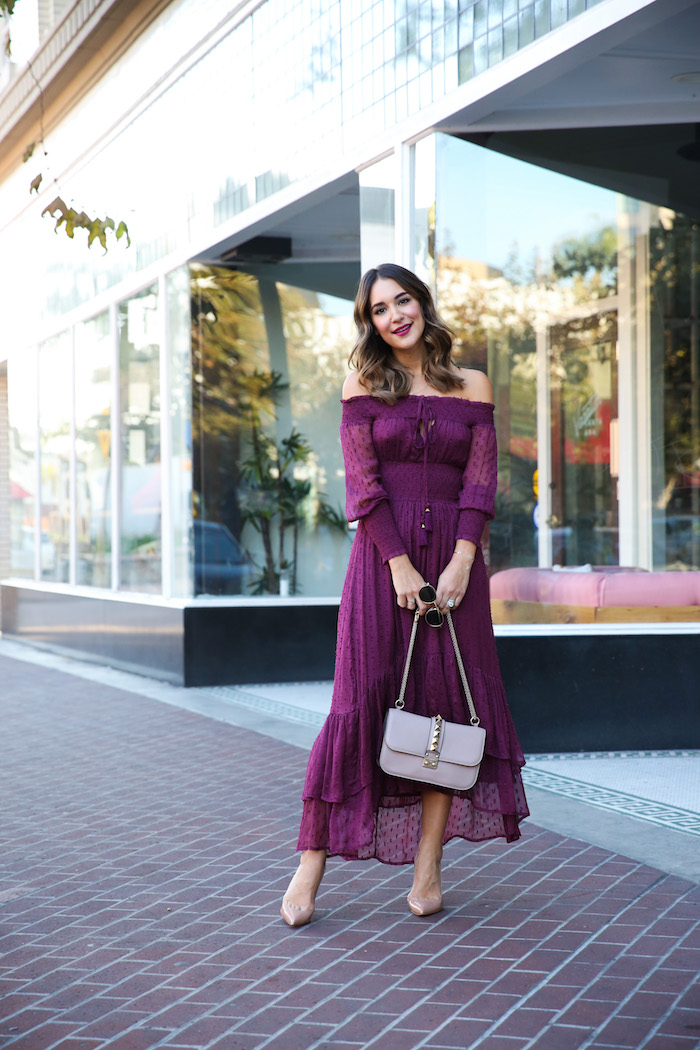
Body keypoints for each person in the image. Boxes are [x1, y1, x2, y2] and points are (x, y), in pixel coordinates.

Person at [280, 263, 528, 927]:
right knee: (359, 700)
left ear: (422, 304)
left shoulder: (471, 383)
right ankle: (311, 862)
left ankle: (428, 866)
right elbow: (363, 488)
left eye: (404, 300)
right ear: (370, 323)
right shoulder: (360, 382)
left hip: (456, 567)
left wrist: (461, 563)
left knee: (443, 709)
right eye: (380, 309)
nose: (396, 315)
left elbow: (481, 485)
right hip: (381, 567)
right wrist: (397, 565)